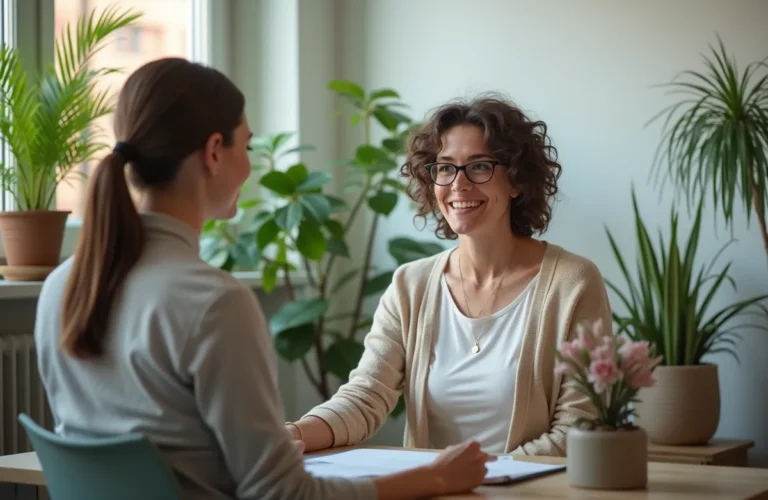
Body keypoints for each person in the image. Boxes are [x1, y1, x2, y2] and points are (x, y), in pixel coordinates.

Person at [33, 57, 493, 500]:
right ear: (214, 152)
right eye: (248, 146)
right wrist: (433, 479)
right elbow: (282, 493)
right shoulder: (213, 303)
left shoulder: (62, 287)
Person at [286, 95, 612, 457]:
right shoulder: (410, 285)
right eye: (445, 168)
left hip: (528, 485)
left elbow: (578, 427)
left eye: (479, 166)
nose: (458, 183)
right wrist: (292, 434)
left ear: (516, 180)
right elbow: (365, 397)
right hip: (433, 485)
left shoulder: (573, 283)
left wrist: (480, 476)